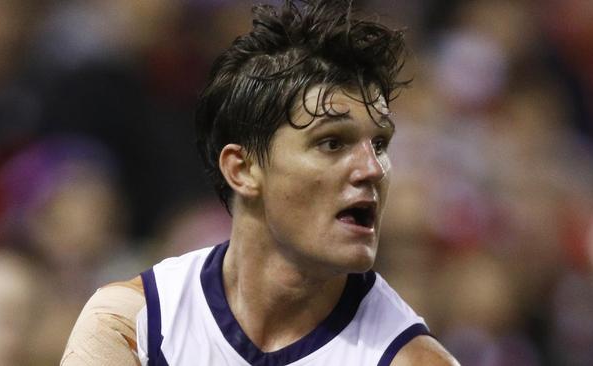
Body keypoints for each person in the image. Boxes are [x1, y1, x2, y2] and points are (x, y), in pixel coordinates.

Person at [61, 1, 459, 365]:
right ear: (242, 169)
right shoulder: (134, 325)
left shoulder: (411, 359)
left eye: (380, 143)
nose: (372, 168)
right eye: (332, 142)